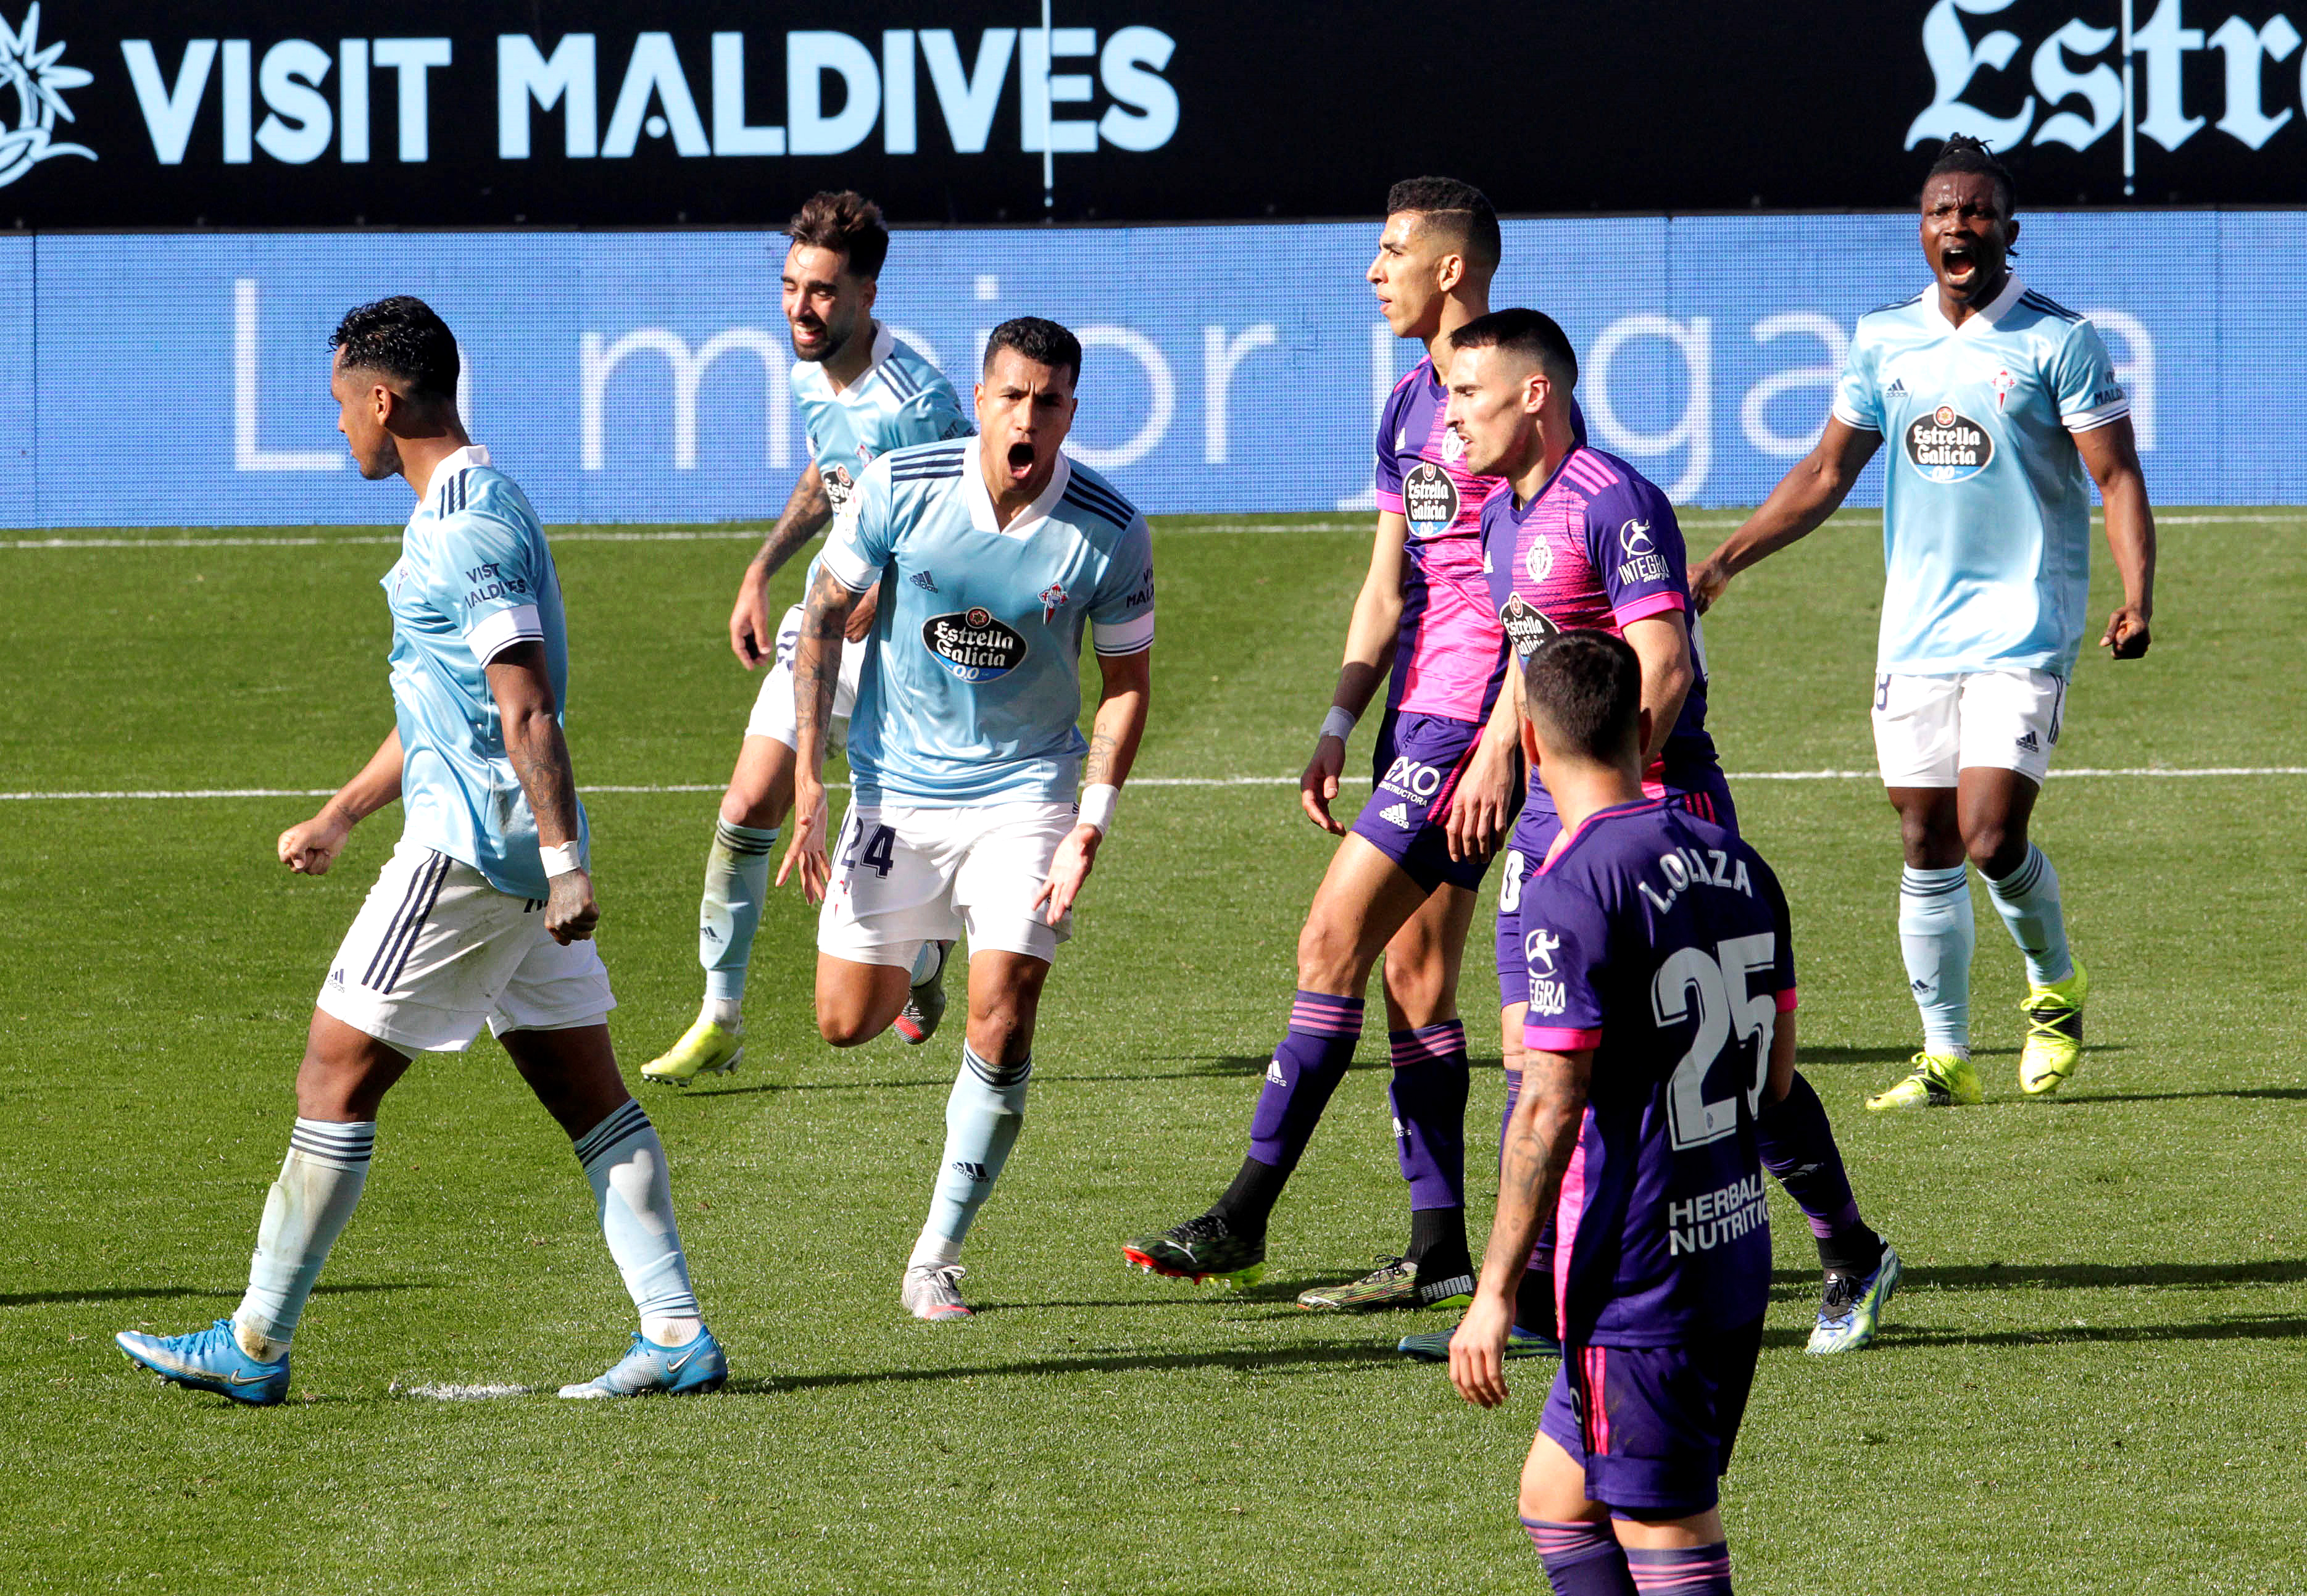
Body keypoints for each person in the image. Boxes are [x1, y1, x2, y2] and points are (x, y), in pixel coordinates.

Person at [115, 296, 723, 1404]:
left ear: (384, 400)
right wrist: (346, 810)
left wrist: (563, 861)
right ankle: (677, 1331)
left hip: (475, 857)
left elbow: (523, 706)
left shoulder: (466, 528)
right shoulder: (466, 504)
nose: (338, 424)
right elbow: (446, 702)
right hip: (516, 856)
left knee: (334, 1068)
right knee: (587, 1091)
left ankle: (255, 1344)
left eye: (341, 404)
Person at [1399, 309, 1893, 1365]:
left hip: (1654, 811)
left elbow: (1661, 666)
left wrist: (1617, 814)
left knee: (1729, 1065)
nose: (1449, 419)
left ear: (1534, 394)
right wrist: (1497, 751)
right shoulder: (1496, 517)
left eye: (1467, 396)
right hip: (1552, 823)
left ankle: (1848, 1246)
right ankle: (1530, 1299)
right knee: (1535, 1053)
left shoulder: (1611, 501)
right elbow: (1530, 659)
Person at [1125, 178, 1567, 1311]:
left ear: (1452, 268)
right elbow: (1387, 583)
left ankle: (1242, 1214)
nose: (1374, 271)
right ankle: (1438, 1251)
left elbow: (1540, 579)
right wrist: (1334, 718)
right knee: (1416, 977)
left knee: (1331, 941)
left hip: (1471, 722)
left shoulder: (1505, 399)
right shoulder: (1409, 403)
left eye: (1391, 251)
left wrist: (1499, 743)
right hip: (1408, 716)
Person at [1692, 135, 2155, 1110]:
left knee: (1988, 834)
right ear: (1920, 229)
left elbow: (2114, 476)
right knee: (1921, 835)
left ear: (2008, 230)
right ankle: (1944, 1057)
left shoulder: (2054, 340)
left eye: (1978, 211)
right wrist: (1725, 559)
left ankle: (2053, 987)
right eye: (1943, 212)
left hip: (2023, 623)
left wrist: (2136, 592)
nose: (1959, 227)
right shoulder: (1881, 340)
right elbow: (1824, 474)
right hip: (1915, 631)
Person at [778, 317, 1154, 1322]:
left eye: (1051, 401)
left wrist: (1089, 821)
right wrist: (810, 778)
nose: (1029, 417)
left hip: (1027, 794)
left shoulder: (1107, 528)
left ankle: (936, 1251)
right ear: (980, 398)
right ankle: (925, 961)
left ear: (1073, 410)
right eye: (1012, 396)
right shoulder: (904, 485)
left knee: (1010, 1002)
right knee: (845, 1022)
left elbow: (1124, 685)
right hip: (895, 786)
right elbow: (821, 611)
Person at [1451, 630, 1789, 1596]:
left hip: (1640, 1285)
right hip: (1730, 1250)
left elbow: (1548, 1108)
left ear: (1527, 737)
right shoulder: (1740, 863)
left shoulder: (1569, 887)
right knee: (1556, 1497)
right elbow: (1773, 1085)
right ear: (1647, 728)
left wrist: (1492, 1292)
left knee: (1670, 1537)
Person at [643, 191, 974, 1088]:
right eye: (791, 286)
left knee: (885, 857)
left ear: (868, 292)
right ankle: (718, 1014)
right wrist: (761, 565)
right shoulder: (807, 371)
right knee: (751, 802)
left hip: (906, 649)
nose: (799, 307)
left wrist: (896, 586)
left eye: (821, 292)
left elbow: (974, 521)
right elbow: (832, 476)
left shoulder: (919, 402)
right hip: (825, 621)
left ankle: (927, 959)